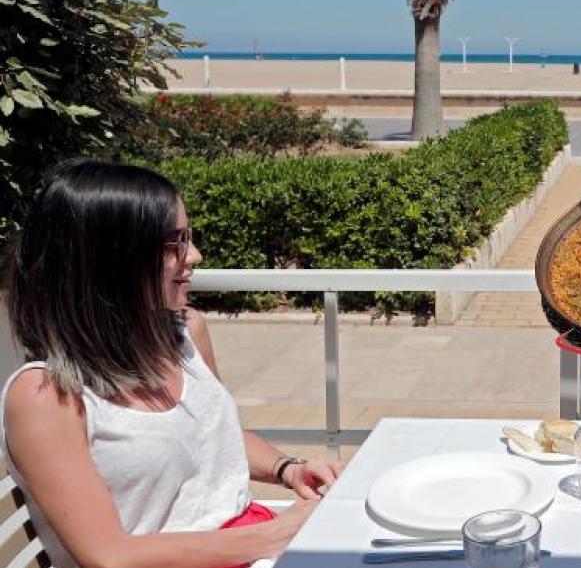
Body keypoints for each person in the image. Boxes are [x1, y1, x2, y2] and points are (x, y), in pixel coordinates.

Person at [1, 160, 344, 568]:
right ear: (108, 260)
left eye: (189, 237)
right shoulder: (45, 396)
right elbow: (111, 557)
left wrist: (288, 470)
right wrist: (276, 535)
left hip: (245, 545)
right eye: (174, 243)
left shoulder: (184, 333)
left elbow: (213, 435)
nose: (194, 256)